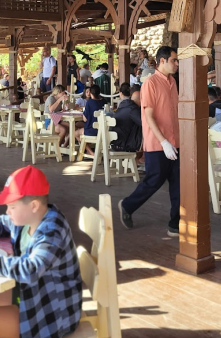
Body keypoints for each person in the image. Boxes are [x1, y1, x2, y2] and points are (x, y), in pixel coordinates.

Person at [0, 165, 83, 338]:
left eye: (12, 206)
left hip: (50, 316)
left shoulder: (51, 231)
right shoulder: (29, 219)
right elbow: (4, 221)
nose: (7, 211)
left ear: (33, 205)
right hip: (31, 295)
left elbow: (30, 269)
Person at [119, 46, 180, 237]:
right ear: (162, 61)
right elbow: (148, 116)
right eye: (174, 60)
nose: (177, 64)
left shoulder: (173, 82)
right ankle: (128, 205)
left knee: (178, 183)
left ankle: (175, 223)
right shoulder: (150, 83)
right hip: (157, 142)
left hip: (176, 140)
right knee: (154, 180)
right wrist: (163, 142)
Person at [112, 83, 143, 155]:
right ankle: (144, 157)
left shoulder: (124, 105)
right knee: (146, 129)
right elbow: (145, 124)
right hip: (123, 145)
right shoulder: (133, 109)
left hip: (115, 143)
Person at [77, 84, 105, 152]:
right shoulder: (104, 101)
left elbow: (84, 119)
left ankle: (91, 153)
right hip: (103, 130)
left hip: (91, 131)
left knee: (76, 133)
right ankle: (90, 151)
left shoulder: (89, 102)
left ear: (91, 94)